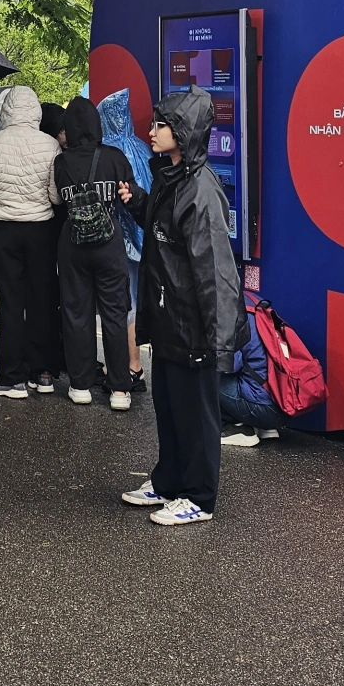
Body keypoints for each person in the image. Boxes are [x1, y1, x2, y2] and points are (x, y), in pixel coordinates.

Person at [121, 90, 248, 528]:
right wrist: (137, 200)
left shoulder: (201, 190)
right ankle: (169, 481)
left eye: (162, 125)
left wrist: (219, 338)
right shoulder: (169, 176)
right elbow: (163, 228)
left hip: (193, 326)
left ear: (184, 132)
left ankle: (199, 497)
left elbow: (215, 271)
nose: (152, 130)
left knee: (196, 414)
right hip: (168, 318)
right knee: (171, 407)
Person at [0, 85, 66, 397]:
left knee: (11, 302)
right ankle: (43, 373)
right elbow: (55, 195)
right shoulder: (50, 144)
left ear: (6, 110)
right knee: (41, 299)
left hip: (5, 229)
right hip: (41, 229)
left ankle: (11, 376)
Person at [51, 97, 136, 409]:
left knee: (77, 314)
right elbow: (131, 195)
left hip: (72, 244)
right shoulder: (114, 157)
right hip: (109, 243)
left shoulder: (61, 162)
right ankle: (119, 390)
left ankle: (80, 385)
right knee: (114, 313)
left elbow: (57, 200)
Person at [98, 88, 151, 398]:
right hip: (143, 239)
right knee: (132, 302)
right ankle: (134, 363)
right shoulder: (142, 148)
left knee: (120, 303)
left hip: (115, 240)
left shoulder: (108, 151)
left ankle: (127, 365)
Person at [218, 309, 282, 446]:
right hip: (282, 405)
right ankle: (264, 427)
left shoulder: (229, 312)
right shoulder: (256, 307)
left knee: (205, 376)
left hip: (261, 409)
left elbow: (229, 365)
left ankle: (234, 428)